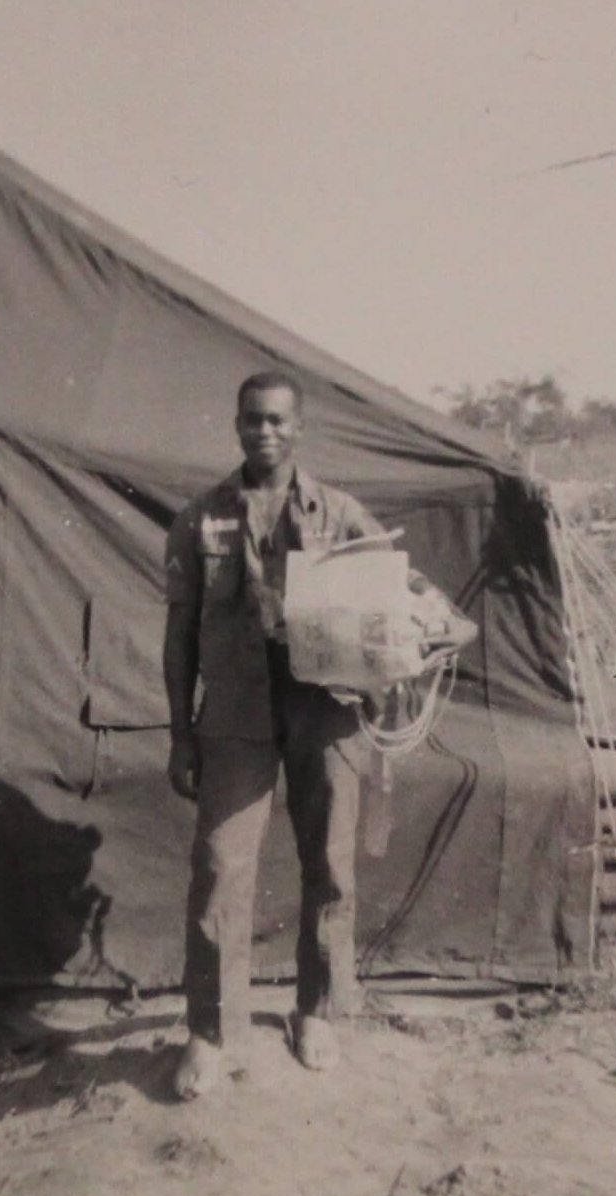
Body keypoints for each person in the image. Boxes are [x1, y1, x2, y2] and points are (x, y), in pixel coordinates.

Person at [163, 370, 385, 1100]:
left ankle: (317, 1009)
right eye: (252, 419)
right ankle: (210, 1032)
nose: (265, 431)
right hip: (233, 711)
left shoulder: (343, 513)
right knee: (222, 866)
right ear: (236, 425)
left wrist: (380, 675)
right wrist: (180, 730)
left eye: (278, 421)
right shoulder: (200, 518)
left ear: (299, 428)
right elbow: (179, 634)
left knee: (330, 860)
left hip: (323, 709)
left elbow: (387, 604)